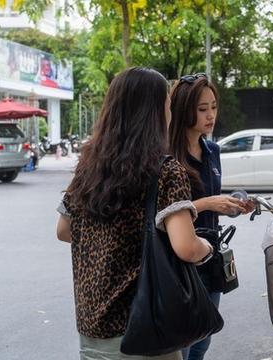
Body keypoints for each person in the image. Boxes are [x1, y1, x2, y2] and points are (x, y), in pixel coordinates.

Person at [56, 67, 214, 360]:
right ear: (154, 112)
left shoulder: (88, 167)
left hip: (92, 325)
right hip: (143, 326)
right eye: (167, 104)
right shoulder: (166, 171)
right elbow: (186, 247)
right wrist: (208, 248)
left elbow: (64, 230)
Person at [168, 73, 253, 360]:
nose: (211, 115)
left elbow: (214, 199)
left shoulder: (212, 150)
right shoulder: (167, 156)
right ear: (182, 109)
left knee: (203, 340)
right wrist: (206, 203)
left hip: (211, 255)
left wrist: (232, 205)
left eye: (214, 107)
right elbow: (164, 213)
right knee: (183, 343)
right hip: (179, 261)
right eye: (202, 109)